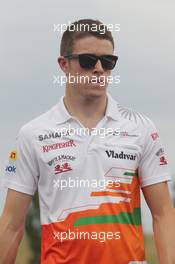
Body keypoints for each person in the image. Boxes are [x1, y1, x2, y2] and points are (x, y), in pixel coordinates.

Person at [0, 19, 175, 264]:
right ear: (63, 64)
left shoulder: (141, 128)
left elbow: (163, 214)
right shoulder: (33, 134)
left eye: (108, 61)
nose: (99, 69)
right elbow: (11, 225)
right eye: (88, 61)